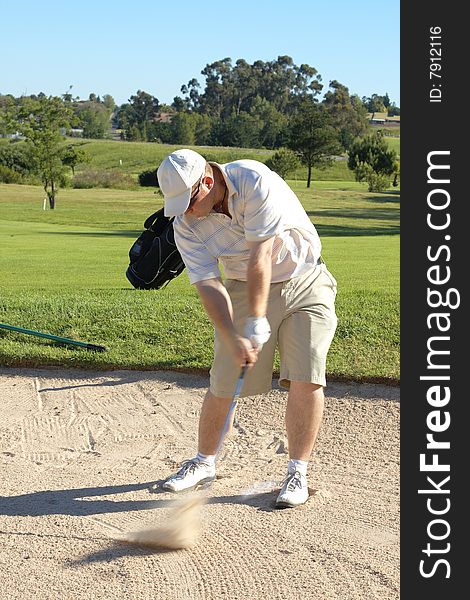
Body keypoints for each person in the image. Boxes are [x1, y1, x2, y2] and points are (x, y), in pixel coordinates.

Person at [157, 149, 337, 508]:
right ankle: (204, 462)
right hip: (241, 286)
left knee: (307, 375)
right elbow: (208, 284)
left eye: (188, 202)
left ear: (207, 183)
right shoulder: (185, 224)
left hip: (305, 279)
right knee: (224, 382)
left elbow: (262, 256)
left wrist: (257, 319)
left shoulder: (253, 179)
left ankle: (297, 471)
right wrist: (231, 334)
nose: (185, 212)